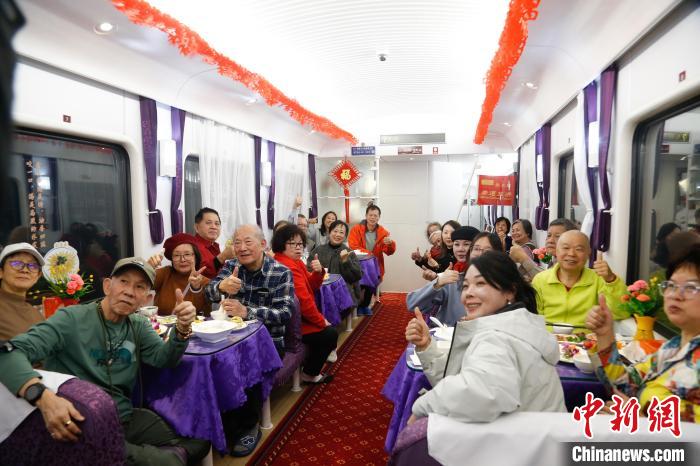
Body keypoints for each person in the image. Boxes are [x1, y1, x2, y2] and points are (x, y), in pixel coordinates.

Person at [0, 257, 210, 465]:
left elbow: (165, 359)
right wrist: (44, 398)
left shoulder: (138, 325)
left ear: (146, 298)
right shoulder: (71, 319)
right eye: (124, 282)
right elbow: (8, 354)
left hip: (124, 417)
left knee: (202, 441)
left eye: (139, 286)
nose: (129, 291)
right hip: (84, 422)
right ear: (107, 286)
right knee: (169, 462)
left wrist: (182, 329)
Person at [405, 251, 565, 424]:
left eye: (480, 283)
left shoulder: (500, 338)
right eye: (465, 286)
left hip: (527, 438)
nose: (469, 293)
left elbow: (478, 395)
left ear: (510, 291)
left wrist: (423, 407)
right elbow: (464, 378)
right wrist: (427, 346)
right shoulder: (513, 326)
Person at [585, 244, 700, 422]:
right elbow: (623, 385)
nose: (675, 295)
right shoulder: (671, 348)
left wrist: (639, 418)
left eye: (691, 287)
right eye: (671, 285)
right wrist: (605, 334)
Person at [205, 224, 294, 455]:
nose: (242, 248)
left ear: (262, 244)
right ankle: (217, 422)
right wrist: (220, 286)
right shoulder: (231, 266)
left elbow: (285, 314)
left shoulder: (281, 272)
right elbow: (208, 292)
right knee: (209, 363)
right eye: (237, 243)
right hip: (231, 339)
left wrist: (247, 312)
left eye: (248, 242)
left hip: (268, 343)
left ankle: (249, 426)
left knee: (246, 365)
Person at [273, 224, 338, 384]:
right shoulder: (287, 266)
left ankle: (310, 369)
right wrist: (321, 321)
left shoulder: (295, 262)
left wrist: (318, 272)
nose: (298, 247)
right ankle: (309, 374)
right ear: (281, 244)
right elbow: (304, 302)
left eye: (300, 244)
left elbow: (312, 286)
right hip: (292, 323)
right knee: (330, 334)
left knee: (328, 328)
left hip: (298, 318)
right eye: (293, 243)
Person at [532, 230, 629, 330]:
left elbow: (622, 313)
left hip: (586, 338)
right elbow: (533, 317)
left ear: (588, 253)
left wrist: (611, 279)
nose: (571, 254)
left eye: (579, 249)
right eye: (566, 248)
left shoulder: (599, 280)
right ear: (556, 251)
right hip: (548, 337)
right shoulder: (540, 280)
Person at [408, 227, 478, 326]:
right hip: (448, 332)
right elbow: (413, 304)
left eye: (466, 244)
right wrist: (438, 283)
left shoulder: (489, 277)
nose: (460, 249)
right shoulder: (451, 276)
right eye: (456, 244)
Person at [348, 204, 396, 315]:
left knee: (372, 281)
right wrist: (370, 255)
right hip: (357, 263)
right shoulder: (356, 229)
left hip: (375, 265)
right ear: (366, 216)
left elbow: (389, 252)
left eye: (375, 215)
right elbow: (353, 245)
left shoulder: (383, 233)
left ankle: (364, 306)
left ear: (379, 217)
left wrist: (390, 244)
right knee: (359, 283)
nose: (372, 218)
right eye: (370, 215)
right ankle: (356, 306)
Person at [147, 233, 211, 316]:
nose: (182, 260)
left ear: (195, 256)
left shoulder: (205, 281)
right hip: (163, 324)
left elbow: (205, 313)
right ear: (172, 259)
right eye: (176, 255)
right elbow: (141, 283)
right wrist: (147, 268)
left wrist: (196, 289)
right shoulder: (165, 274)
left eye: (187, 254)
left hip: (192, 324)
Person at [309, 220, 363, 306]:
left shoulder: (349, 252)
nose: (338, 235)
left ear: (345, 236)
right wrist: (316, 270)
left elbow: (357, 276)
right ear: (329, 233)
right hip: (321, 291)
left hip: (343, 293)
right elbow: (308, 271)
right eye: (335, 231)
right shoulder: (318, 250)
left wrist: (346, 261)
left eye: (341, 232)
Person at [0, 242, 44, 340]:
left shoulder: (37, 316)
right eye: (17, 263)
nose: (25, 270)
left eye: (33, 266)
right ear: (1, 272)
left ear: (38, 276)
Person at [510, 218, 577, 282]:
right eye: (549, 235)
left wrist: (523, 259)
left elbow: (548, 282)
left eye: (557, 236)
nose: (550, 240)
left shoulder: (570, 263)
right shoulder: (554, 260)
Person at [192, 207, 235, 279]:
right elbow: (200, 275)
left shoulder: (214, 246)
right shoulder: (192, 247)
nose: (214, 227)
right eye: (208, 223)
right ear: (196, 227)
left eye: (217, 223)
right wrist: (222, 257)